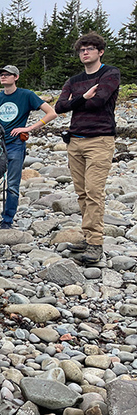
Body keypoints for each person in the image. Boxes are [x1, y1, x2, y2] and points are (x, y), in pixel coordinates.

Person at [55, 32, 120, 265]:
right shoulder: (74, 81)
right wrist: (82, 96)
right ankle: (88, 235)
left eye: (90, 49)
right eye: (82, 49)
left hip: (100, 140)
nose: (85, 52)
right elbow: (60, 106)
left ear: (100, 51)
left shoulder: (110, 73)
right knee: (82, 193)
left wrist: (77, 100)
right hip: (75, 141)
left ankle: (95, 243)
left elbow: (99, 101)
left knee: (94, 192)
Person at [0, 64, 57, 229]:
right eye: (1, 74)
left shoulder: (27, 95)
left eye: (7, 74)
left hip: (16, 144)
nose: (3, 77)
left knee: (12, 185)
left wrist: (29, 128)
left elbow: (51, 113)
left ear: (16, 77)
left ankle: (7, 221)